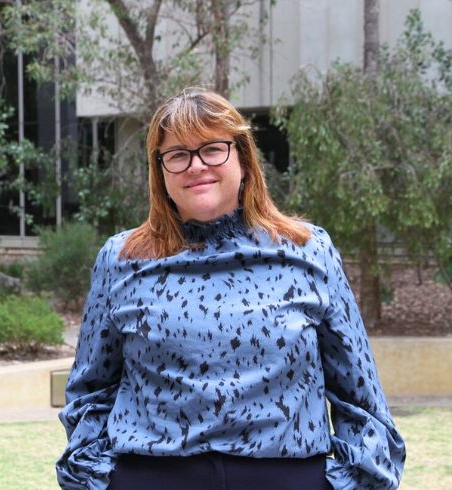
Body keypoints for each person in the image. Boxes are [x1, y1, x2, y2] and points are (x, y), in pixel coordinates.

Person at [56, 88, 405, 490]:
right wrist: (102, 481)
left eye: (212, 148)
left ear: (242, 156)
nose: (196, 165)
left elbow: (359, 396)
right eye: (178, 154)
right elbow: (90, 391)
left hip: (287, 478)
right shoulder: (122, 259)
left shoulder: (309, 251)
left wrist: (341, 484)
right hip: (151, 476)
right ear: (161, 170)